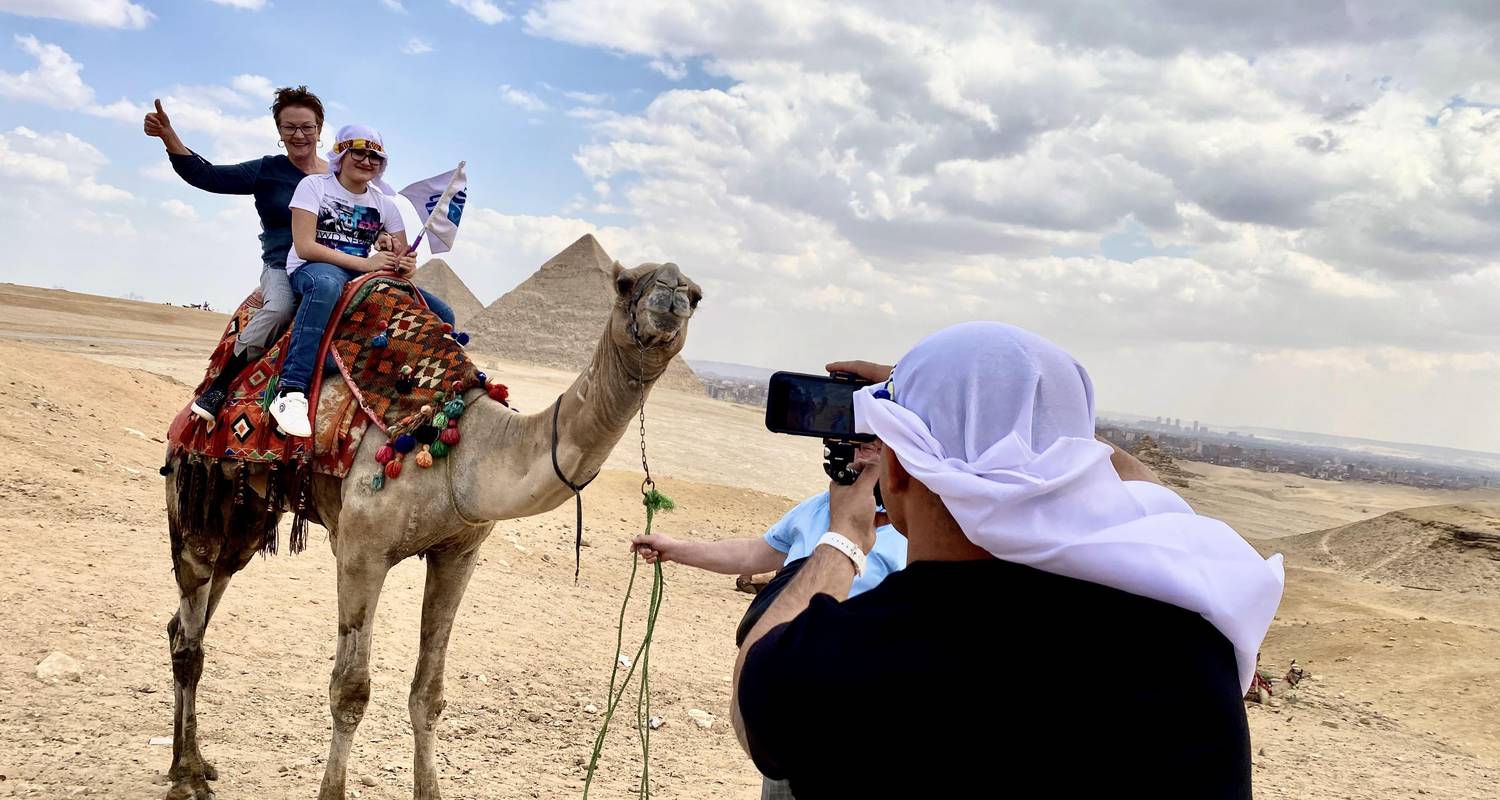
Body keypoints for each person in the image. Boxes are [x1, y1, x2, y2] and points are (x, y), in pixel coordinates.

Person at [732, 323, 1286, 799]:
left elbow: (749, 695)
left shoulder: (839, 661)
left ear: (895, 469)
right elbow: (1148, 493)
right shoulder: (1195, 638)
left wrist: (844, 537)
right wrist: (1020, 413)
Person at [145, 86, 330, 422]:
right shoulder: (266, 171)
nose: (299, 135)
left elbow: (369, 213)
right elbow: (207, 175)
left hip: (333, 265)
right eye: (290, 127)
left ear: (320, 128)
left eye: (307, 127)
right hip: (282, 266)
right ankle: (223, 382)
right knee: (278, 309)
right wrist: (169, 136)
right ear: (279, 131)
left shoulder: (337, 176)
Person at [268, 123, 456, 438]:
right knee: (327, 285)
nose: (367, 162)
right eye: (359, 152)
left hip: (363, 274)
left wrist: (405, 263)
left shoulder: (386, 205)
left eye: (375, 156)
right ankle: (291, 390)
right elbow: (305, 246)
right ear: (341, 153)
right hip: (314, 268)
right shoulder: (315, 186)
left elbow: (401, 263)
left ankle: (417, 389)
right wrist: (366, 264)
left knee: (443, 314)